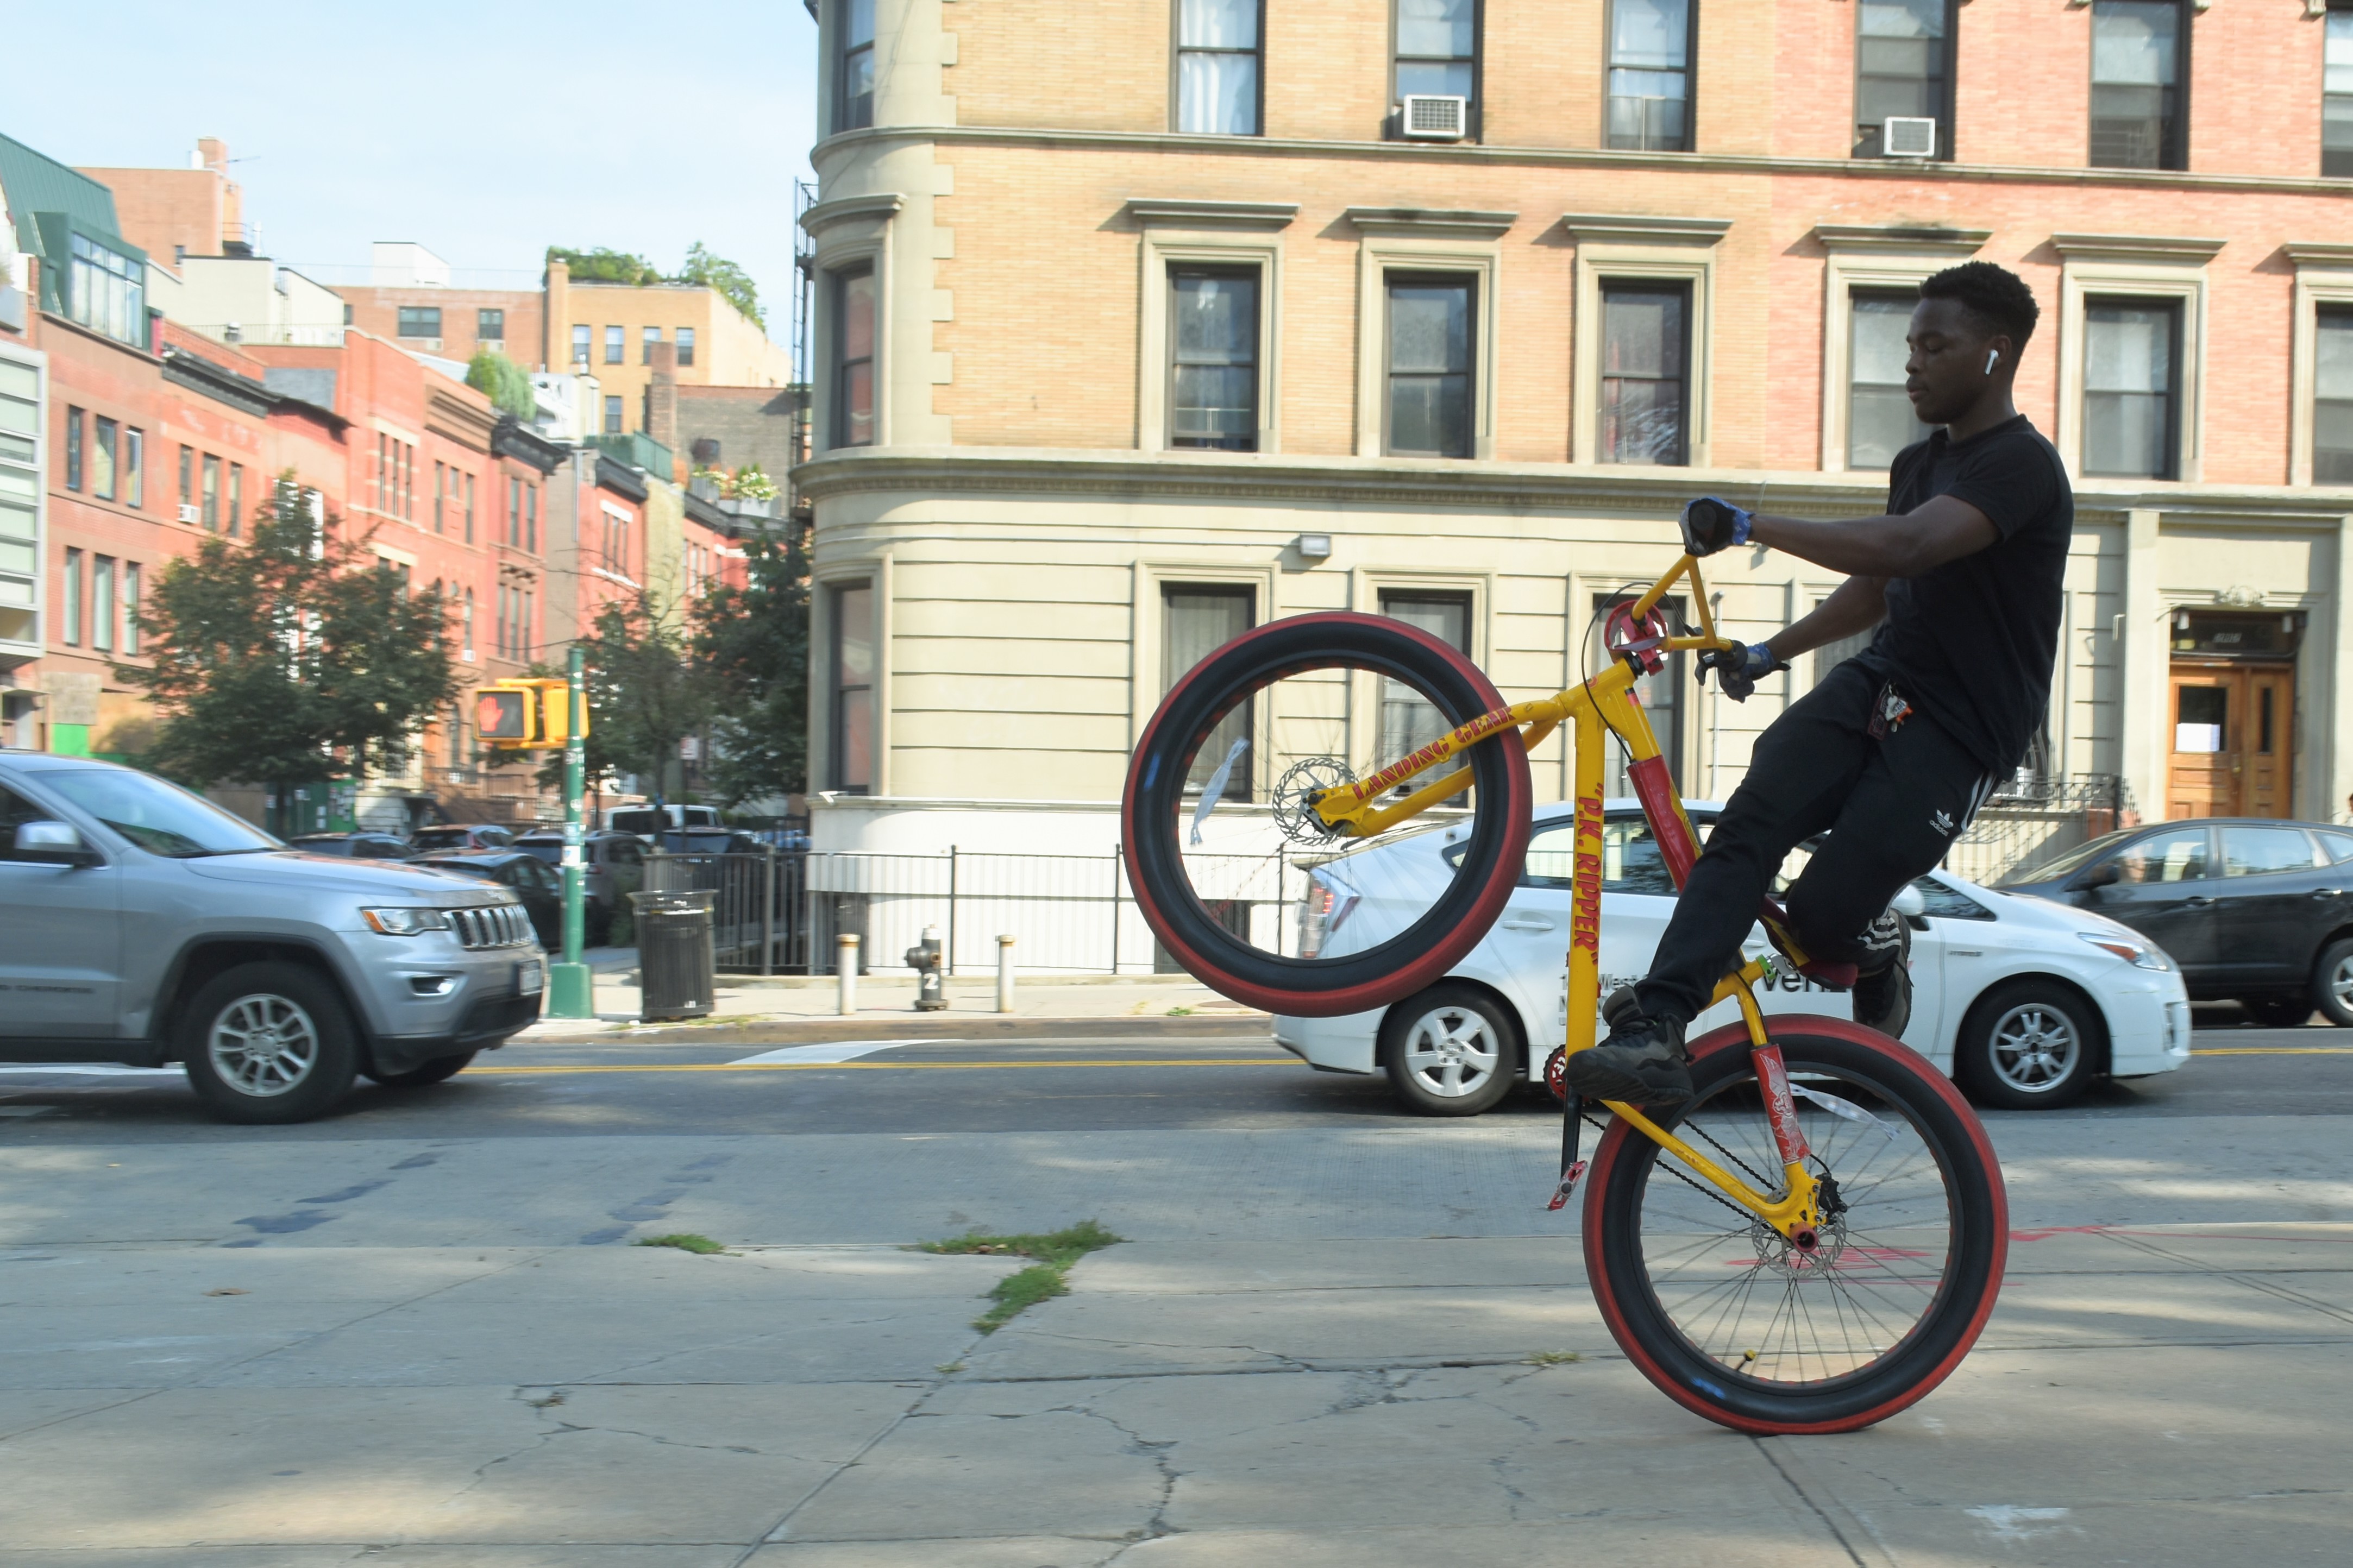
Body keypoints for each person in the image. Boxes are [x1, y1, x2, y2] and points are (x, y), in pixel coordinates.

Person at [1563, 260, 2071, 1105]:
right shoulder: (1918, 464)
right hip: (1884, 680)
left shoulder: (2021, 467)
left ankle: (1877, 942)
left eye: (1934, 346)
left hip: (1963, 727)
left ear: (1995, 353)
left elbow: (1907, 549)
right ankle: (1656, 1029)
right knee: (1752, 817)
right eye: (1909, 344)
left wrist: (1751, 526)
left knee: (1822, 920)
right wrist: (1771, 653)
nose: (1911, 363)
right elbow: (1877, 592)